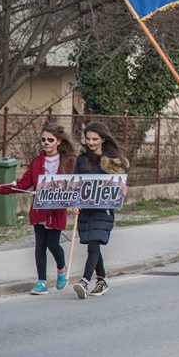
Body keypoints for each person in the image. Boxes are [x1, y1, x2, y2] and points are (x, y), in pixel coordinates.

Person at [0, 122, 76, 295]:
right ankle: (41, 282)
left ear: (59, 141)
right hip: (39, 209)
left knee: (53, 244)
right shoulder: (37, 161)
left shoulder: (68, 161)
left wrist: (75, 203)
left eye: (50, 139)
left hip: (56, 210)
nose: (45, 142)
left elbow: (75, 184)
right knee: (40, 246)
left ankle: (61, 269)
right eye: (43, 139)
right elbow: (23, 184)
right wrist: (1, 188)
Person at [72, 122, 129, 299]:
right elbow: (75, 183)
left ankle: (84, 281)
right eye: (88, 139)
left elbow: (119, 185)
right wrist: (74, 201)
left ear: (103, 139)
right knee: (92, 244)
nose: (91, 142)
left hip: (103, 210)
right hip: (86, 210)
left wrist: (122, 190)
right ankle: (102, 279)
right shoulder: (81, 160)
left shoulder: (113, 162)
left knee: (94, 244)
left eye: (95, 139)